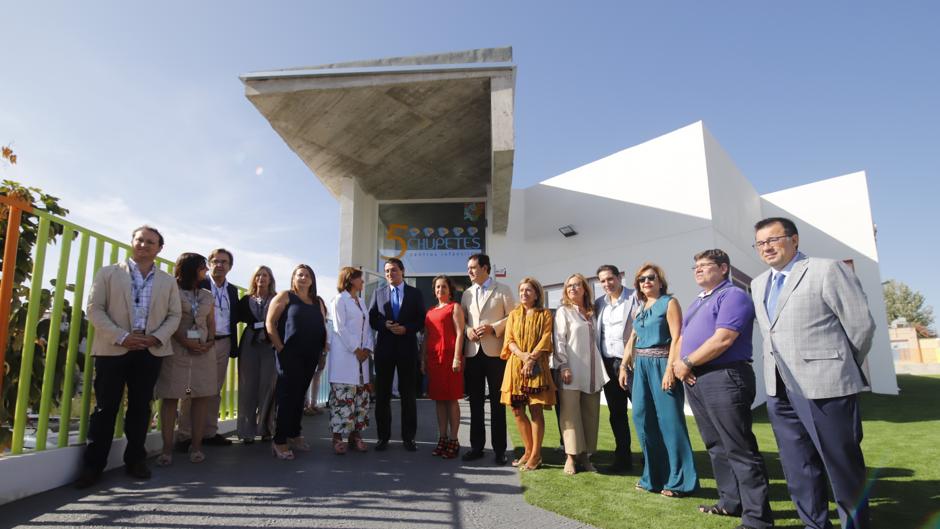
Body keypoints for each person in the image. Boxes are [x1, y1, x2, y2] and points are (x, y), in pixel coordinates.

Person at [751, 217, 875, 529]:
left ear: (794, 239)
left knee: (841, 465)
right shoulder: (758, 283)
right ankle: (814, 524)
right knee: (797, 466)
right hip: (778, 388)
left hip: (826, 385)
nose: (766, 247)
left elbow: (860, 326)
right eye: (760, 243)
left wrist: (838, 365)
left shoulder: (826, 269)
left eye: (773, 239)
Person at [75, 225, 181, 488]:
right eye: (140, 240)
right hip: (114, 348)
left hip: (149, 349)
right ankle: (93, 466)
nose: (144, 245)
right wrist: (122, 336)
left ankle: (135, 460)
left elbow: (174, 315)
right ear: (132, 242)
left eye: (150, 242)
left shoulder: (168, 281)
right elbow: (94, 309)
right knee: (105, 408)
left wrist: (155, 337)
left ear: (159, 248)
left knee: (140, 407)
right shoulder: (108, 273)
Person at [672, 249, 772, 529]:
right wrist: (684, 366)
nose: (698, 270)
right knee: (716, 446)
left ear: (724, 268)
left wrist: (687, 362)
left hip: (725, 377)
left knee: (739, 448)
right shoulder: (698, 301)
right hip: (697, 378)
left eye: (705, 265)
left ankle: (757, 520)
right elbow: (682, 337)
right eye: (696, 266)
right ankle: (730, 503)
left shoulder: (733, 296)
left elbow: (723, 339)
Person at [620, 263, 698, 497]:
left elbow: (678, 337)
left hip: (662, 362)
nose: (646, 282)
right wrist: (624, 365)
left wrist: (670, 370)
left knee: (670, 422)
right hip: (640, 366)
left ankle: (680, 481)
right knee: (642, 419)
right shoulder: (641, 306)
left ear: (660, 281)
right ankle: (652, 478)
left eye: (650, 278)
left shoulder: (669, 303)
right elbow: (632, 338)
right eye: (641, 280)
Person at [154, 253, 216, 465]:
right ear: (190, 268)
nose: (206, 271)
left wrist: (211, 341)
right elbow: (165, 319)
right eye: (202, 267)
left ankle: (196, 447)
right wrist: (183, 340)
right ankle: (167, 449)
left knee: (199, 395)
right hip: (176, 349)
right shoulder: (171, 290)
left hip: (202, 352)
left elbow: (210, 321)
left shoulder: (207, 294)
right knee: (172, 396)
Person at [177, 248, 239, 450]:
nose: (220, 265)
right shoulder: (199, 284)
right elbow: (190, 317)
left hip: (223, 342)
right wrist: (197, 340)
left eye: (224, 262)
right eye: (215, 261)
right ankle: (185, 435)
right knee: (190, 388)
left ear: (230, 267)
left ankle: (209, 432)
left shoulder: (232, 290)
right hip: (199, 343)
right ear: (209, 264)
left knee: (214, 390)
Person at [266, 264, 328, 460]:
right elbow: (270, 323)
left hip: (310, 355)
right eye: (299, 274)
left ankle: (294, 433)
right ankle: (279, 441)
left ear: (312, 280)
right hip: (289, 354)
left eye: (307, 275)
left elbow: (323, 328)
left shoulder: (317, 301)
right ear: (293, 278)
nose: (303, 278)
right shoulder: (285, 296)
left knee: (300, 395)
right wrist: (281, 348)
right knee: (286, 397)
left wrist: (322, 353)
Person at [461, 254, 515, 465]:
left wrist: (494, 328)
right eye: (468, 268)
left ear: (485, 268)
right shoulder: (466, 293)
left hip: (496, 353)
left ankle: (500, 450)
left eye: (473, 268)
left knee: (497, 403)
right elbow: (463, 321)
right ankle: (476, 447)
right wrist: (467, 332)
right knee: (475, 402)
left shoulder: (504, 290)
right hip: (473, 353)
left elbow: (513, 316)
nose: (469, 272)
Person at [369, 258, 426, 451]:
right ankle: (382, 437)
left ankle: (409, 438)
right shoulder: (378, 293)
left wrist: (407, 329)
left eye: (393, 270)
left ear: (402, 271)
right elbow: (372, 318)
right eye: (386, 271)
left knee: (408, 394)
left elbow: (421, 319)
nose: (389, 274)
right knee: (382, 395)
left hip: (407, 348)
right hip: (384, 349)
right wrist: (383, 325)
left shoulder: (415, 293)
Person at [554, 273, 607, 475]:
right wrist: (563, 365)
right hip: (571, 370)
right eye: (569, 286)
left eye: (577, 285)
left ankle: (585, 456)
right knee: (570, 414)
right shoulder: (564, 312)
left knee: (590, 414)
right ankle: (570, 456)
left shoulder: (593, 312)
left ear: (585, 288)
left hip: (593, 372)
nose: (573, 289)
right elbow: (559, 340)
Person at [501, 277, 555, 472]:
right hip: (515, 366)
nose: (524, 293)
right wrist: (523, 356)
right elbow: (509, 340)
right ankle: (528, 450)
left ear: (536, 293)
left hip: (536, 366)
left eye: (528, 290)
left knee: (535, 410)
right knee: (516, 409)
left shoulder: (545, 314)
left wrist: (531, 359)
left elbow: (546, 338)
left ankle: (536, 455)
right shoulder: (514, 314)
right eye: (522, 290)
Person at [593, 264, 639, 473]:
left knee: (642, 412)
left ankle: (653, 458)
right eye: (602, 281)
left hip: (632, 364)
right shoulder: (598, 304)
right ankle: (623, 459)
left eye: (610, 279)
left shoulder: (635, 297)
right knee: (616, 414)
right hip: (608, 365)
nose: (607, 284)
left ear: (620, 277)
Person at [328, 267, 374, 455]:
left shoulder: (361, 302)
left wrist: (368, 348)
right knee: (342, 399)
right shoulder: (339, 300)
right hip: (346, 357)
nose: (362, 282)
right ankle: (338, 437)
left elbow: (368, 328)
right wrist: (356, 349)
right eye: (359, 279)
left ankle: (355, 436)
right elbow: (340, 328)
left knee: (359, 399)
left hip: (361, 359)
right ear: (350, 280)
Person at [423, 275, 465, 459]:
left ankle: (454, 440)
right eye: (438, 287)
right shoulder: (430, 311)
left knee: (451, 399)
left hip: (449, 359)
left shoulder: (454, 307)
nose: (440, 290)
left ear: (450, 290)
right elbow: (426, 337)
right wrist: (423, 359)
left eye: (444, 287)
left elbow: (460, 333)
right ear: (434, 290)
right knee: (439, 400)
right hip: (434, 360)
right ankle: (442, 438)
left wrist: (457, 358)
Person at [235, 265, 278, 443]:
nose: (261, 278)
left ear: (270, 279)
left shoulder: (276, 299)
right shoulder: (245, 300)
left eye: (265, 275)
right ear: (254, 278)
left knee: (268, 385)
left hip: (270, 344)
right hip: (249, 342)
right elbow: (232, 318)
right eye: (258, 275)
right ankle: (246, 431)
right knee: (247, 386)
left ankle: (266, 429)